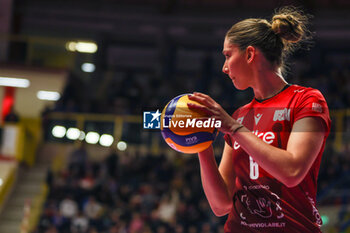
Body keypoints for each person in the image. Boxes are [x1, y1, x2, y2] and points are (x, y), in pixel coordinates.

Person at [187, 6, 331, 233]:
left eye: (227, 55)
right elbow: (221, 205)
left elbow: (292, 172)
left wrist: (234, 129)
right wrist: (201, 144)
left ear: (250, 54)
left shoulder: (306, 100)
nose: (224, 68)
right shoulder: (240, 115)